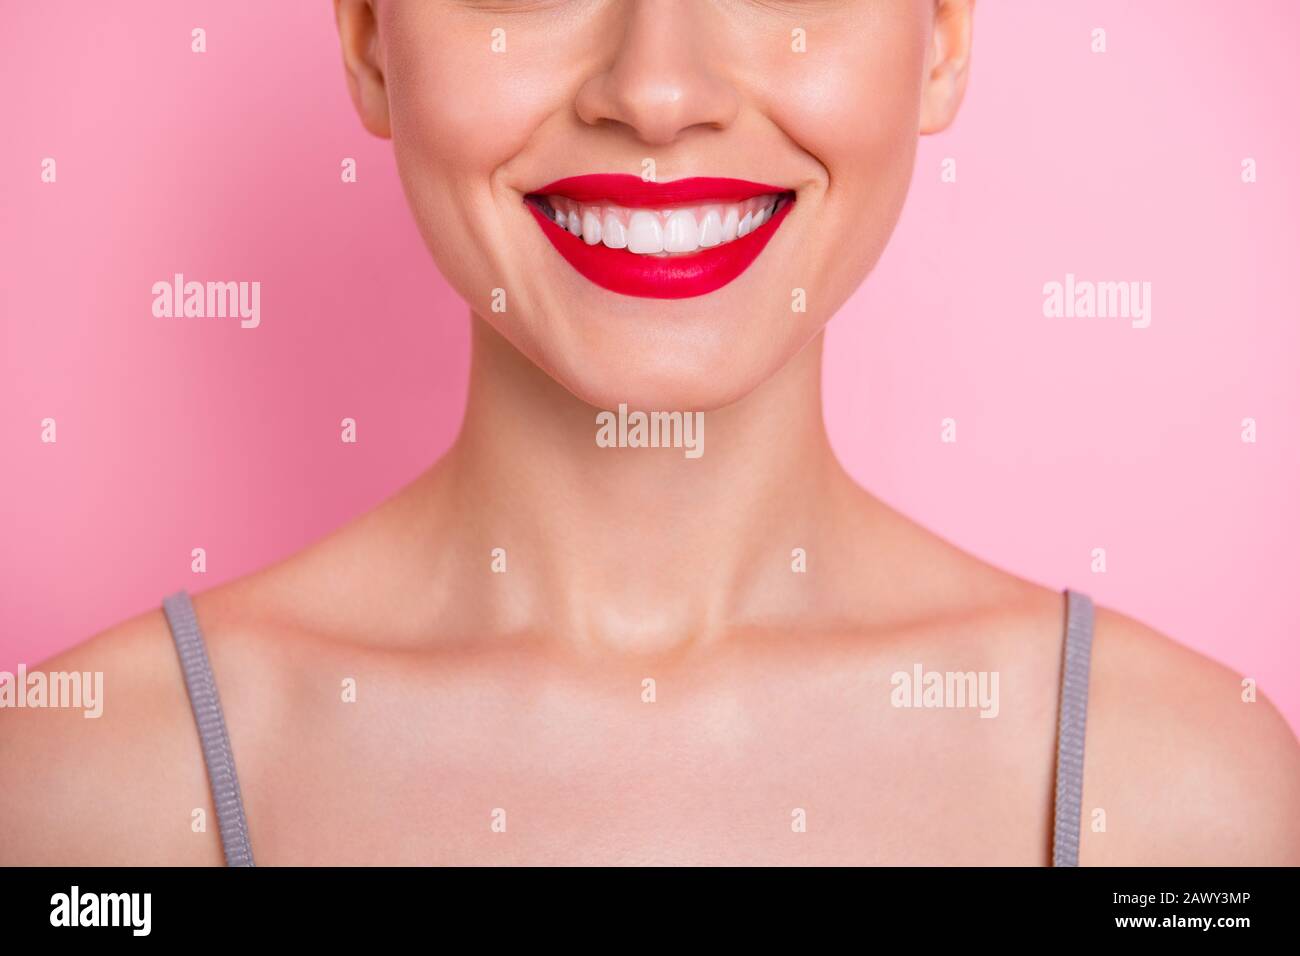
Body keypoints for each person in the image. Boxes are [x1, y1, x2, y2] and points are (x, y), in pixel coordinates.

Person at [2, 0, 1297, 866]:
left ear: (943, 36)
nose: (658, 92)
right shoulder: (78, 794)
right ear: (368, 38)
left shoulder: (1181, 800)